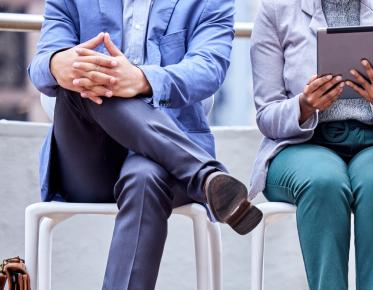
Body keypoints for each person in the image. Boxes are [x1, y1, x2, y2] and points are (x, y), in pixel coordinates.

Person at [28, 0, 263, 289]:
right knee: (86, 73)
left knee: (145, 177)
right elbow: (40, 64)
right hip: (88, 159)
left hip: (158, 165)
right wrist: (56, 63)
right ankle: (204, 174)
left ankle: (197, 172)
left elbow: (208, 68)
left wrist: (142, 80)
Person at [248, 0, 373, 289]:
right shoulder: (276, 8)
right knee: (324, 181)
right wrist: (304, 106)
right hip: (303, 145)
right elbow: (266, 114)